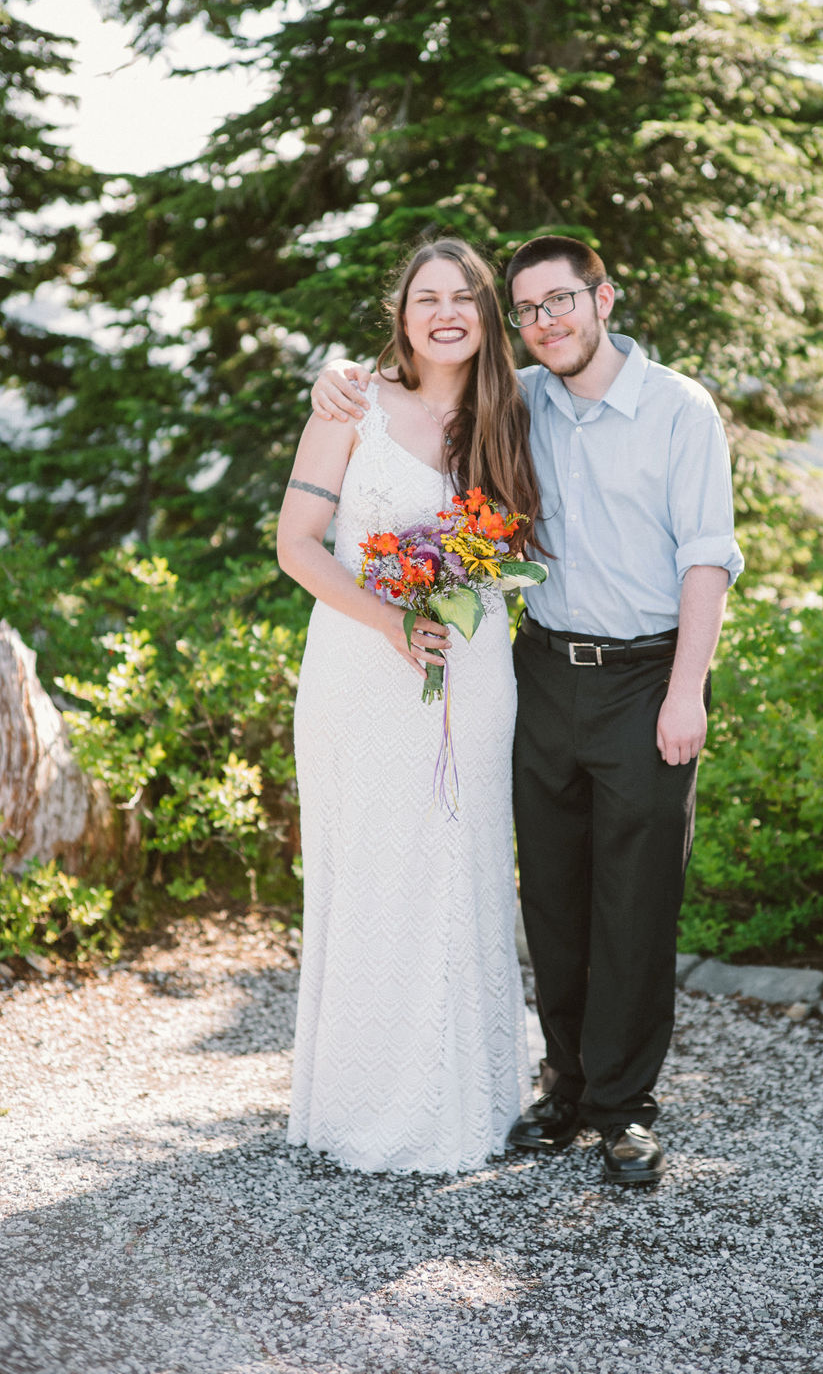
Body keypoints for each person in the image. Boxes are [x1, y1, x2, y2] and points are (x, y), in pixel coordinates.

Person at [311, 235, 743, 1185]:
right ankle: (568, 1087)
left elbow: (707, 557)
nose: (547, 322)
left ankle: (625, 1111)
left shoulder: (680, 409)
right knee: (549, 894)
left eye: (562, 302)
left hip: (646, 679)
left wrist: (687, 691)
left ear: (604, 297)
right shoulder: (518, 401)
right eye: (531, 309)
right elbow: (409, 391)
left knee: (635, 899)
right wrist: (335, 375)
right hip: (539, 673)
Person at [278, 237, 542, 1174]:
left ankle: (471, 1100)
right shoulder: (352, 402)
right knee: (377, 865)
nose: (445, 313)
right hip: (362, 664)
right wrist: (391, 619)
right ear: (402, 314)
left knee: (463, 863)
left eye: (463, 296)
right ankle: (363, 1104)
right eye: (426, 297)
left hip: (474, 667)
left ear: (487, 314)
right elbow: (298, 545)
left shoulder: (512, 412)